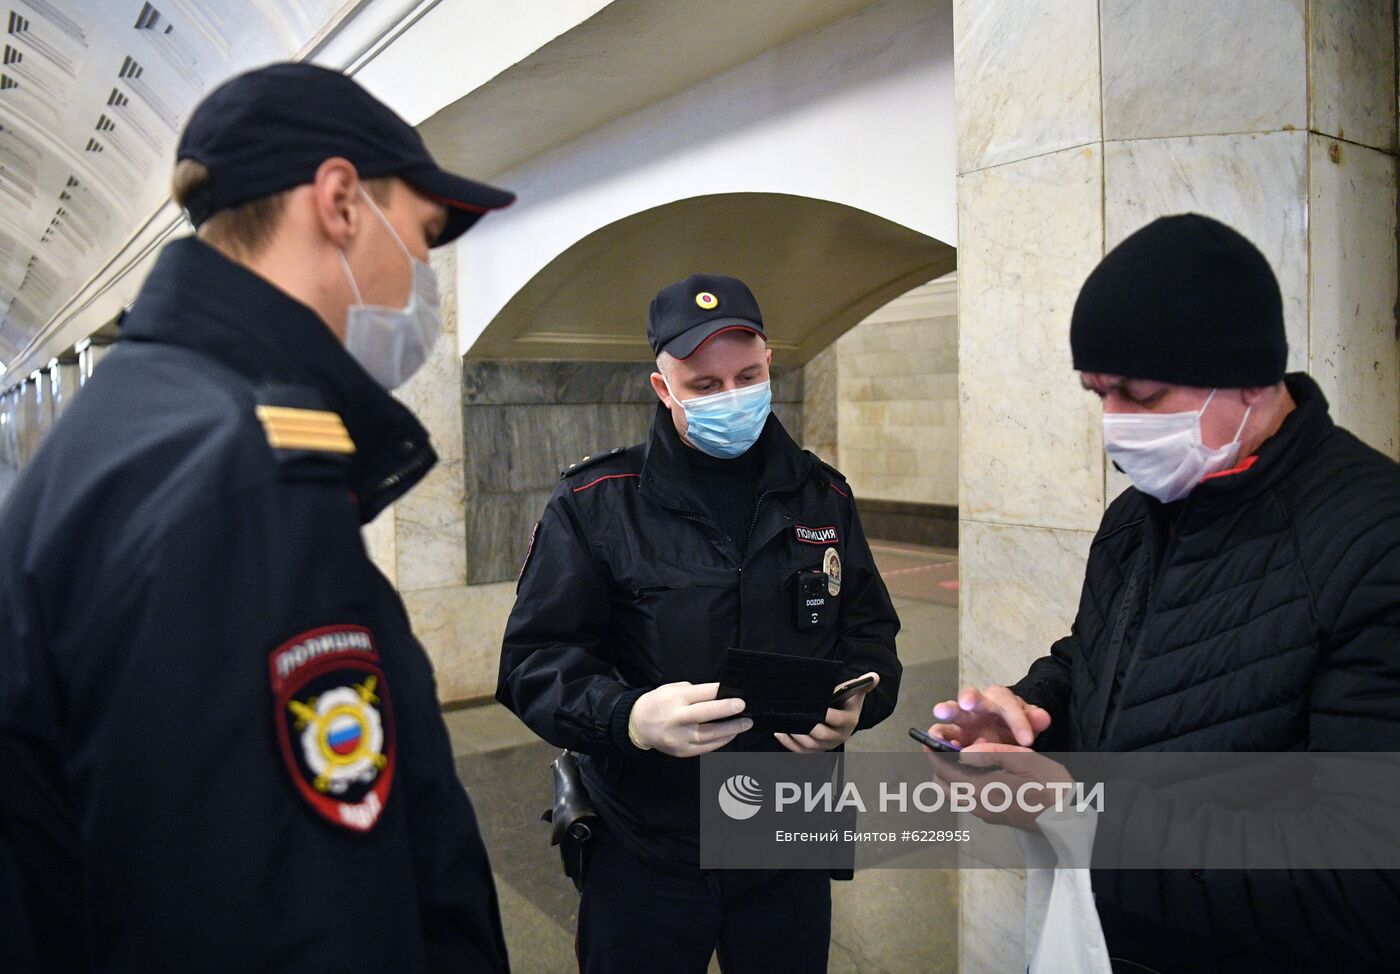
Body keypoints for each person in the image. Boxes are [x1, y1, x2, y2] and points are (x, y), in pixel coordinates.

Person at [0, 63, 515, 972]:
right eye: (426, 234)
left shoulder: (140, 420)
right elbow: (290, 927)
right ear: (342, 203)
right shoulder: (238, 483)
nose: (425, 273)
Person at [928, 214, 1400, 972]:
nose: (1115, 427)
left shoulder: (1373, 539)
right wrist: (1024, 715)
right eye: (1098, 394)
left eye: (1142, 396)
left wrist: (1077, 811)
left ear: (1250, 375)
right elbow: (1100, 657)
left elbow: (1367, 883)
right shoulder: (1137, 517)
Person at [497, 273, 902, 973]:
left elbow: (871, 640)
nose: (732, 398)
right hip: (648, 841)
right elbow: (533, 663)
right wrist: (629, 718)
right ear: (664, 389)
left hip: (784, 832)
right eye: (705, 387)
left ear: (769, 362)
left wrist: (859, 705)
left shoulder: (823, 495)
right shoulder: (597, 503)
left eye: (746, 376)